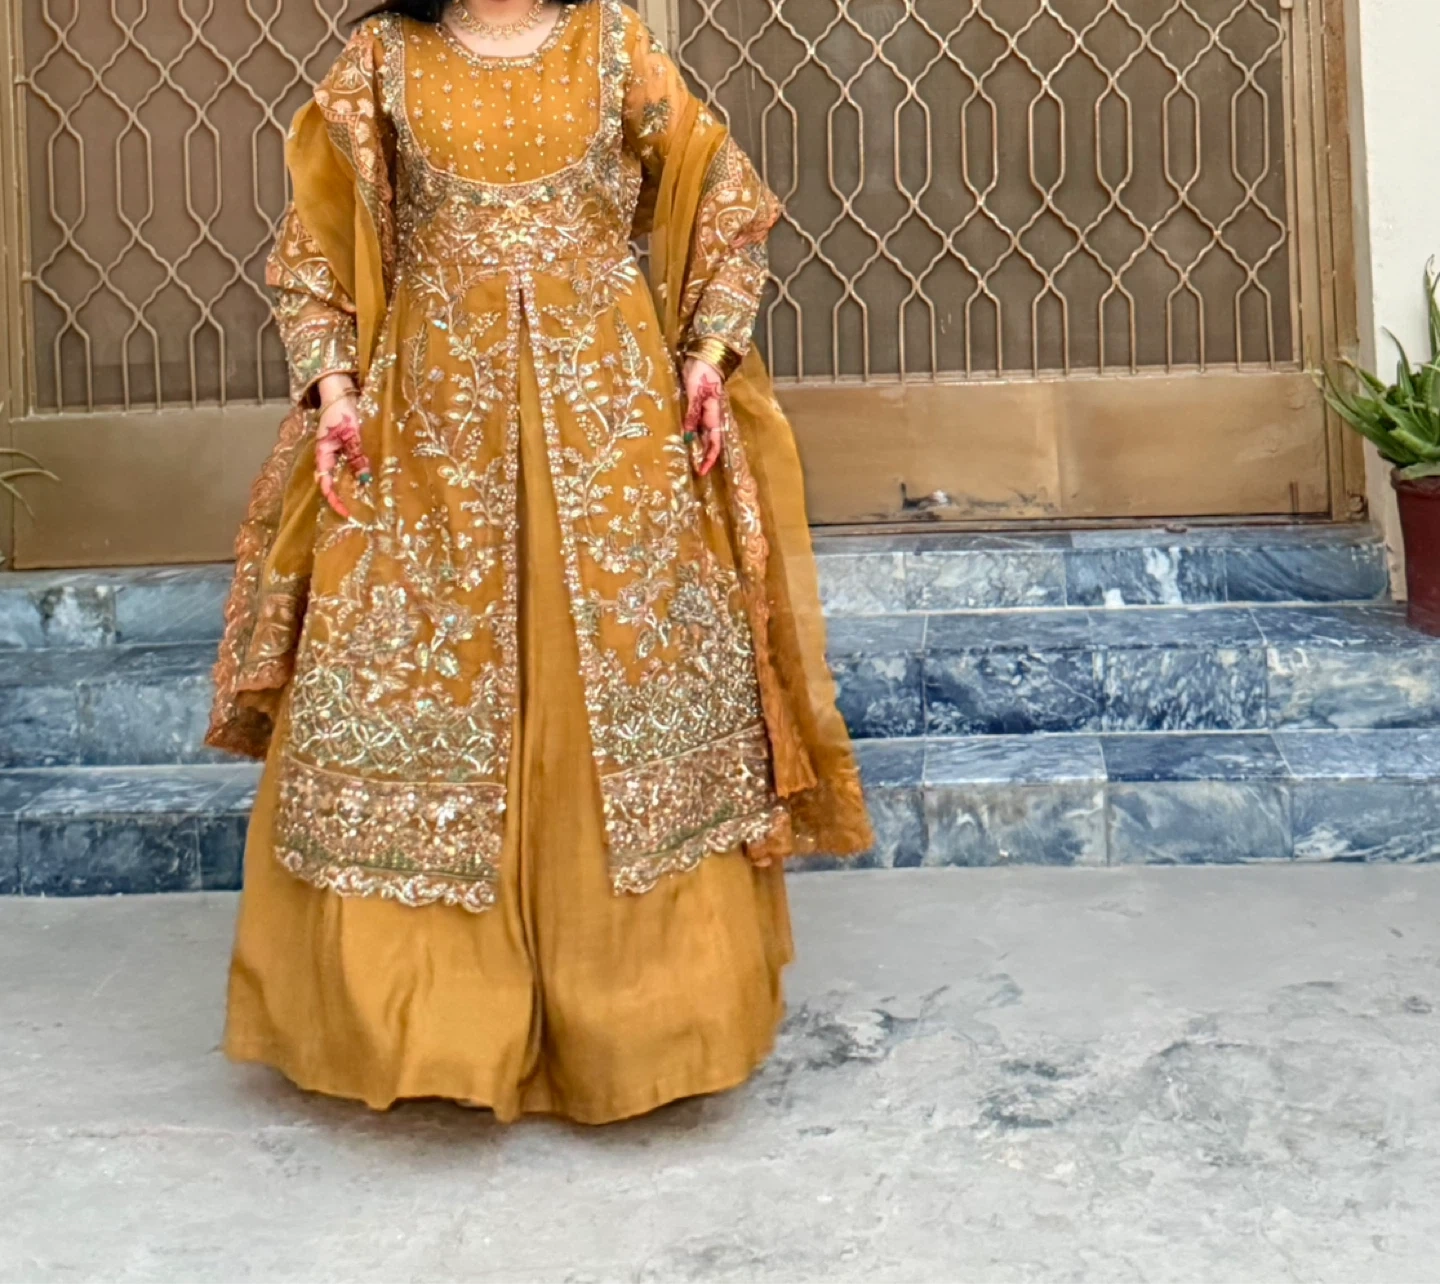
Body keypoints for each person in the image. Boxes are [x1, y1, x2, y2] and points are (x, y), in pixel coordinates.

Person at [207, 0, 872, 1125]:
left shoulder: (611, 43)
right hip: (430, 441)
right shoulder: (382, 58)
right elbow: (314, 244)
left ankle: (642, 1023)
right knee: (426, 690)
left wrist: (707, 354)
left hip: (610, 438)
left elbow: (724, 197)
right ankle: (429, 1027)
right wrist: (334, 387)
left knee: (618, 686)